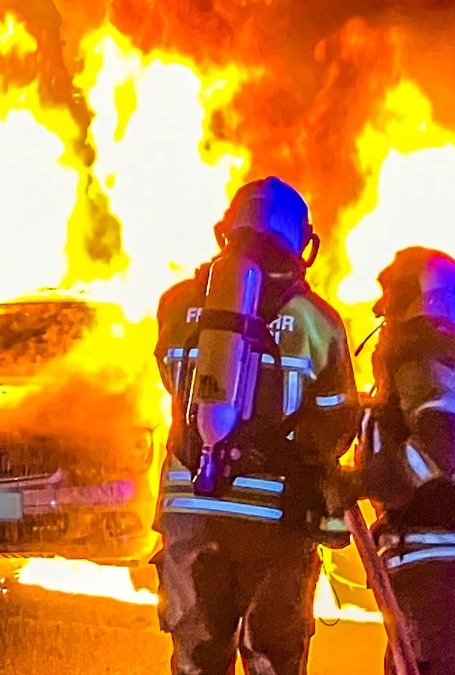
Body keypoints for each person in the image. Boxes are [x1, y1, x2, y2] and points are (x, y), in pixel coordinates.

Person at [152, 177, 359, 675]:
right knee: (273, 657)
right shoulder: (315, 319)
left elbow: (171, 381)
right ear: (300, 241)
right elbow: (337, 420)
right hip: (274, 517)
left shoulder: (177, 304)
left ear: (228, 229)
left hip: (190, 509)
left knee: (195, 658)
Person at [355, 247, 455, 675]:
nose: (386, 314)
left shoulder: (427, 357)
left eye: (397, 297)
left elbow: (443, 442)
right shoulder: (434, 358)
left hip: (439, 569)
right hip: (434, 567)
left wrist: (364, 483)